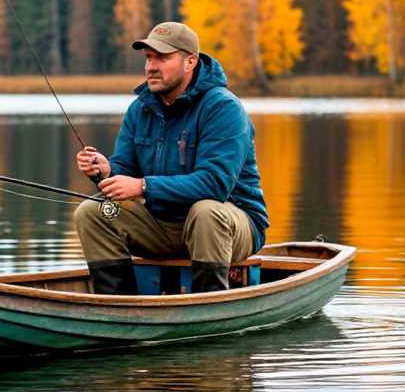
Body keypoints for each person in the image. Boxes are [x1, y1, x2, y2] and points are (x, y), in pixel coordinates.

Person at [74, 22, 269, 295]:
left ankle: (208, 310)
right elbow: (126, 169)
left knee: (206, 211)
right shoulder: (140, 109)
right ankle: (119, 309)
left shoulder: (223, 108)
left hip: (232, 227)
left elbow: (215, 185)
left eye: (162, 58)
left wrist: (143, 187)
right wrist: (106, 172)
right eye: (148, 58)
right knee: (94, 212)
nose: (152, 66)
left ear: (190, 61)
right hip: (163, 225)